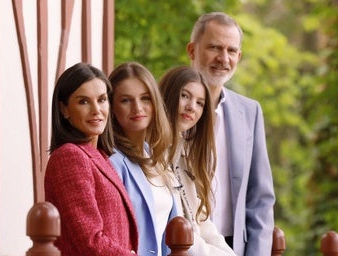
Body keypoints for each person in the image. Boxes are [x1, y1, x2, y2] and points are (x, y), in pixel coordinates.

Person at [186, 12, 275, 256]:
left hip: (234, 247)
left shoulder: (250, 112)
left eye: (231, 50)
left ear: (239, 56)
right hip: (182, 245)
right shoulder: (168, 108)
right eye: (214, 47)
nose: (223, 58)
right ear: (192, 51)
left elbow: (261, 199)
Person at [44, 62, 138, 256]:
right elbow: (90, 241)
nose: (96, 110)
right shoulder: (69, 156)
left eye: (102, 100)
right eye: (83, 102)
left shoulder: (100, 156)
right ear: (64, 110)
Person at [159, 65, 237, 256]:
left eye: (200, 103)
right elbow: (184, 237)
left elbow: (202, 223)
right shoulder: (151, 155)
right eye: (185, 96)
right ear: (168, 95)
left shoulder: (185, 156)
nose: (191, 107)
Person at [108, 62, 177, 256]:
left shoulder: (155, 157)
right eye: (126, 100)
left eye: (145, 98)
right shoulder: (112, 161)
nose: (137, 108)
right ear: (112, 107)